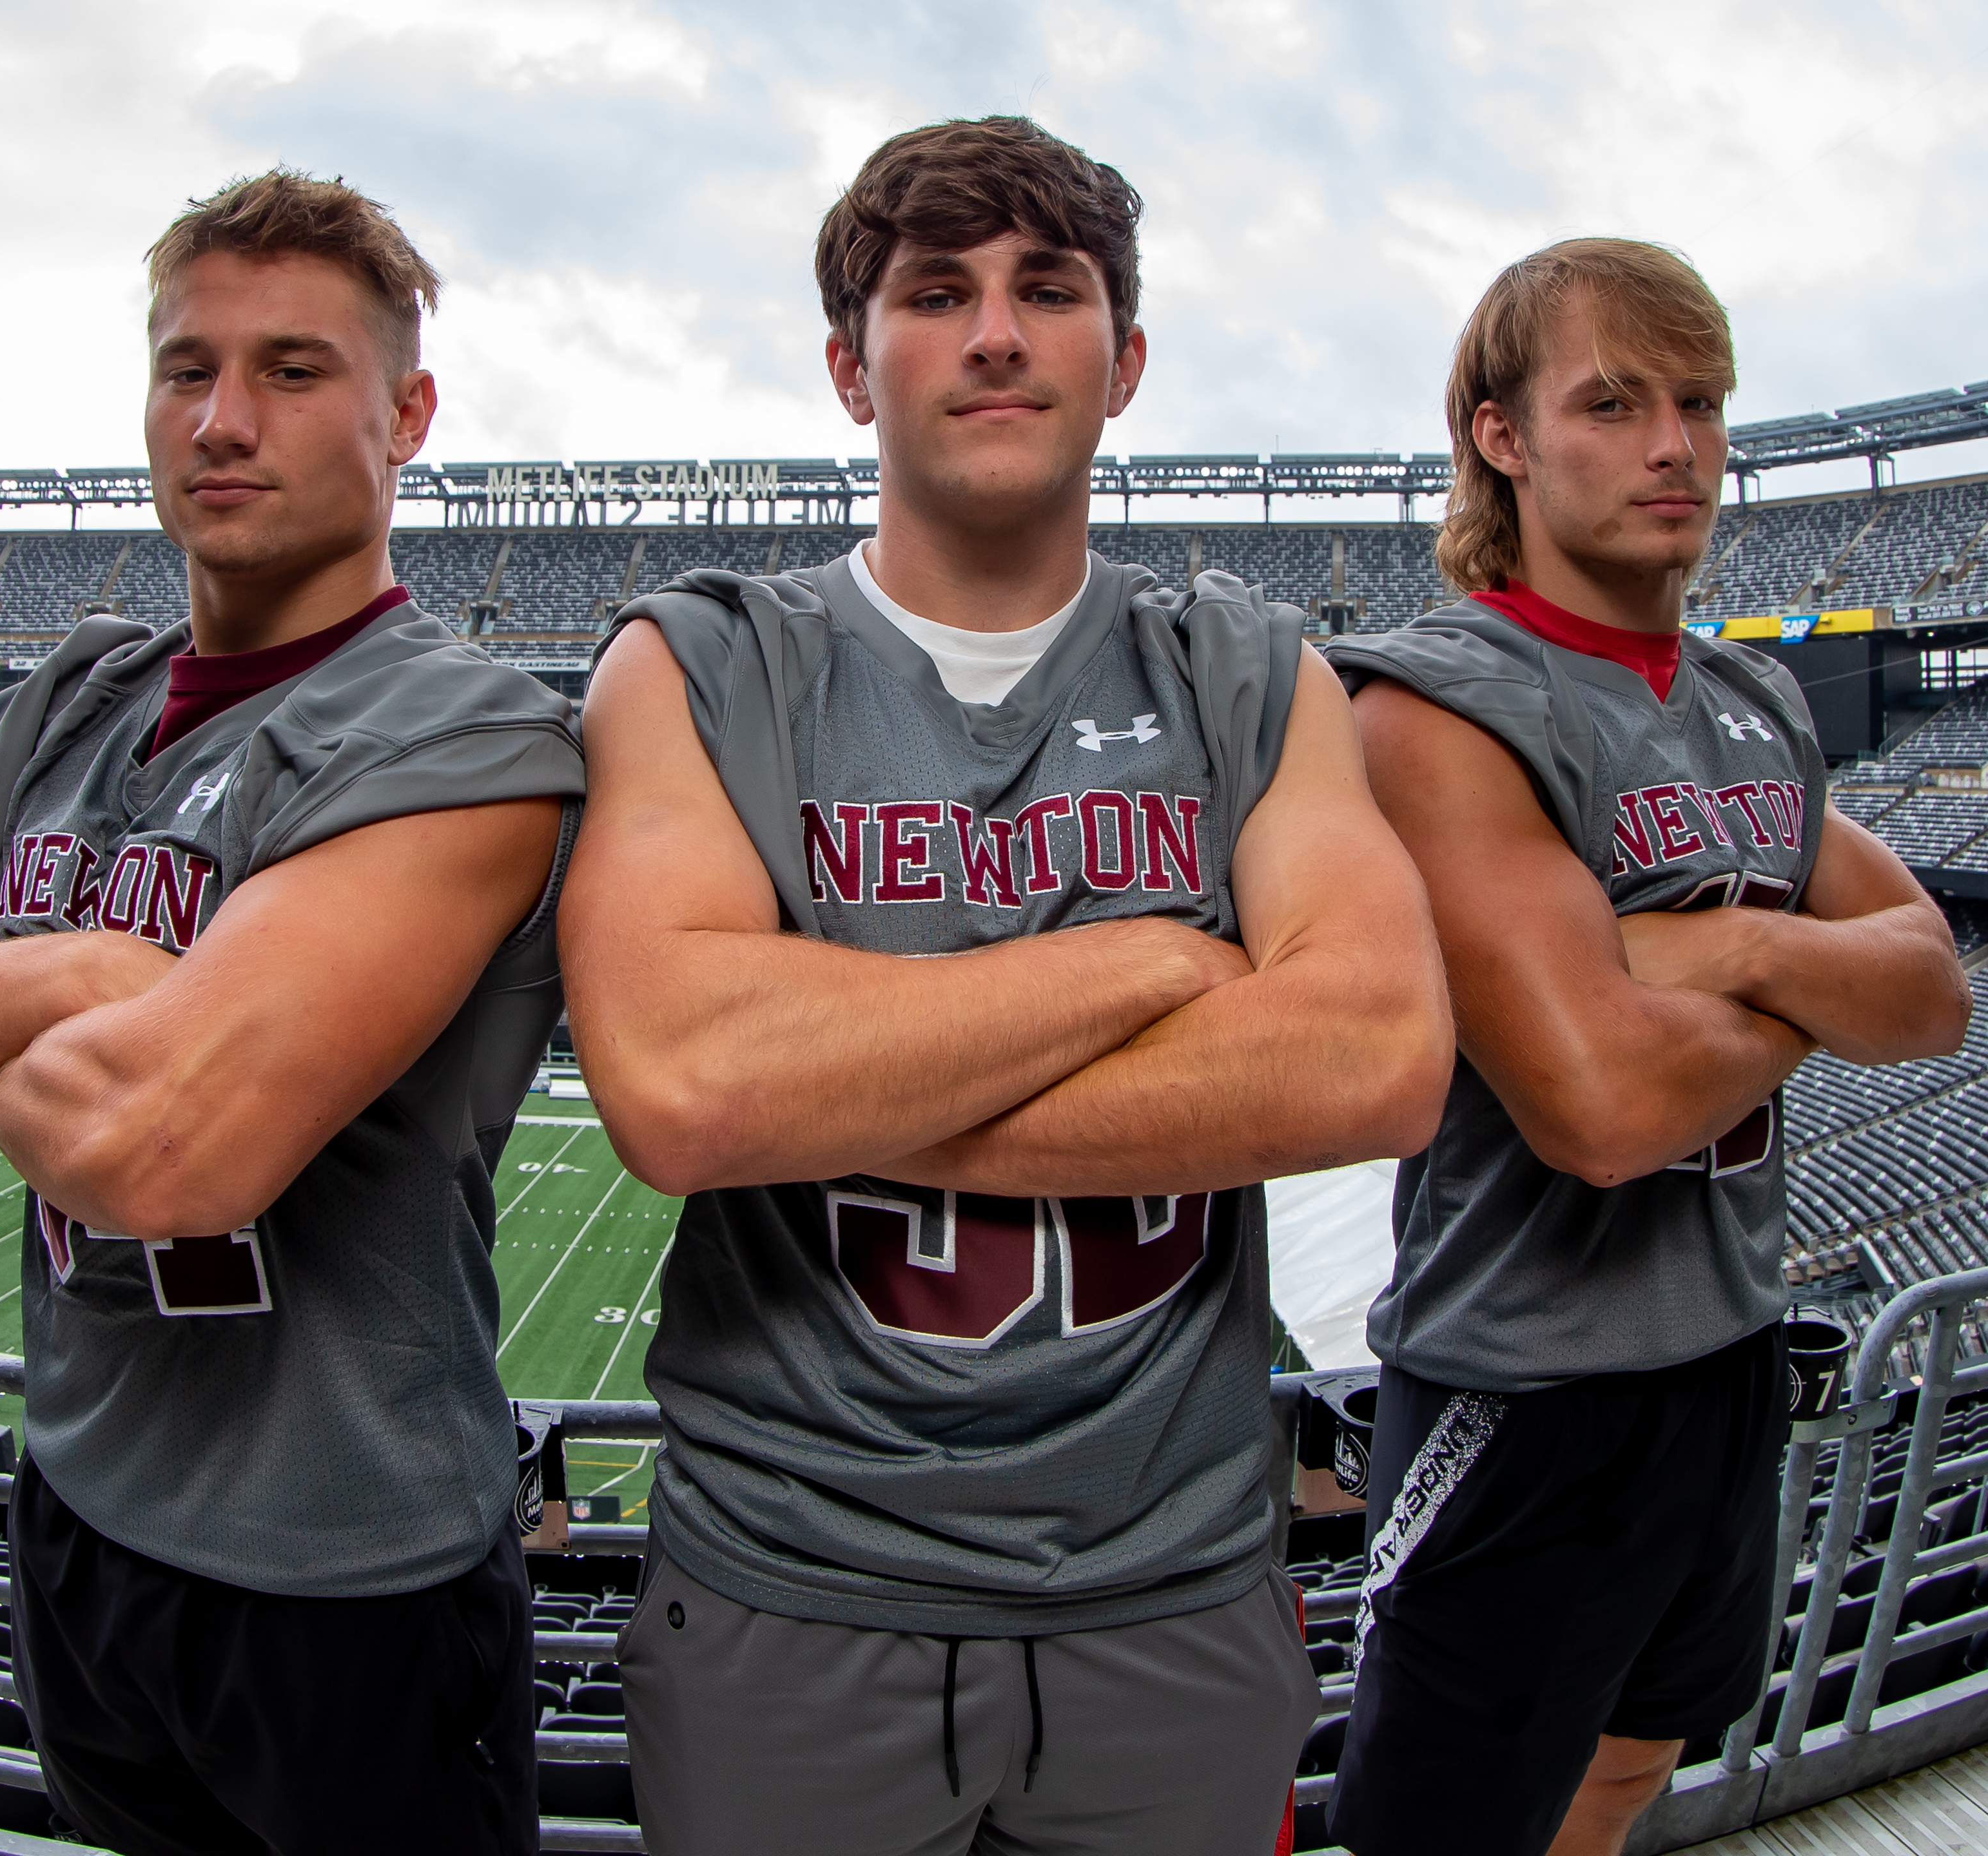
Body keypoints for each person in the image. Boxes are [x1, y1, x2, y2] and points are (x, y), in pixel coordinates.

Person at [558, 115, 1452, 1855]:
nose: (994, 333)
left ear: (1122, 361)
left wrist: (841, 1069)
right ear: (847, 363)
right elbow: (682, 1086)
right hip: (791, 1588)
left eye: (1050, 290)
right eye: (936, 291)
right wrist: (1151, 964)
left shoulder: (1249, 668)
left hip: (1171, 1592)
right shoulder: (702, 659)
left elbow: (1377, 1054)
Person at [0, 171, 583, 1856]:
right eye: (185, 368)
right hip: (77, 1507)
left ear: (408, 414)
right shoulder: (78, 692)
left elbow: (165, 1151)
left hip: (343, 1577)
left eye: (294, 371)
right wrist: (86, 976)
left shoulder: (465, 735)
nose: (223, 420)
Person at [1320, 238, 1972, 1856]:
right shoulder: (1440, 701)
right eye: (1613, 403)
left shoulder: (1752, 697)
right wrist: (1815, 986)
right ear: (1503, 437)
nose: (1676, 444)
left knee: (1635, 1755)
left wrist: (1732, 946)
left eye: (1699, 401)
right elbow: (1598, 1105)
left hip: (1730, 1346)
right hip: (1526, 1384)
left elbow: (1936, 986)